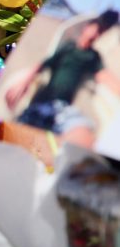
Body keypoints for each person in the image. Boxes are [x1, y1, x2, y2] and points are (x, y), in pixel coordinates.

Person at [9, 9, 120, 148]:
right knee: (17, 132)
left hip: (64, 107)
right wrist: (25, 82)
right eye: (95, 29)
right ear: (86, 28)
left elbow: (104, 76)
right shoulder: (68, 47)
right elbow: (42, 65)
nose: (96, 34)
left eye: (100, 32)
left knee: (83, 135)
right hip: (43, 102)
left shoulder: (93, 56)